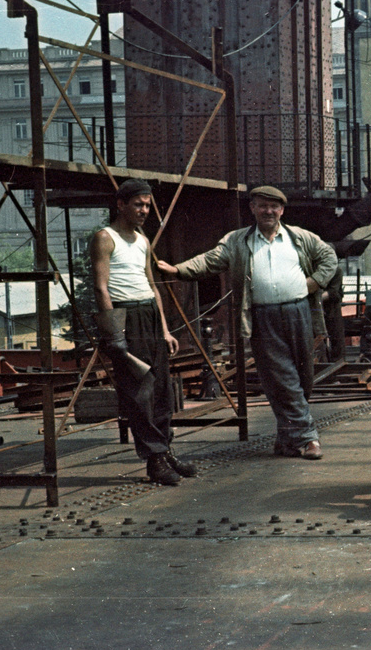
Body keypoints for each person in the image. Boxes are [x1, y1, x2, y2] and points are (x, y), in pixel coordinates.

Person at [157, 185, 337, 460]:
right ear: (252, 208)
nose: (268, 211)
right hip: (263, 316)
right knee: (283, 378)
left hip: (299, 311)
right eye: (262, 205)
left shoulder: (299, 237)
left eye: (274, 206)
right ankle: (309, 438)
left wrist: (312, 284)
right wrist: (178, 269)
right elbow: (210, 261)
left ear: (282, 210)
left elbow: (329, 257)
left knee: (303, 377)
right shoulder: (238, 241)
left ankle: (287, 438)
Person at [91, 179, 196, 486]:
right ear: (120, 204)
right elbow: (100, 287)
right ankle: (154, 459)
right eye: (138, 204)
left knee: (162, 387)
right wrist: (115, 333)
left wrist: (164, 328)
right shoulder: (104, 237)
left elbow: (153, 286)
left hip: (149, 313)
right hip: (125, 314)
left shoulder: (142, 240)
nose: (144, 210)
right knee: (140, 391)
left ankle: (166, 451)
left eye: (147, 205)